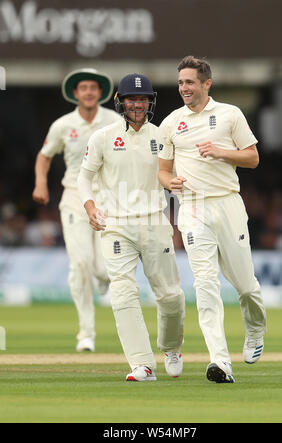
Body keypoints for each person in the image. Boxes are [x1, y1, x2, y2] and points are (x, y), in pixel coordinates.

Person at [158, 56, 267, 384]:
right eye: (180, 83)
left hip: (227, 205)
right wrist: (170, 183)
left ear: (207, 83)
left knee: (246, 286)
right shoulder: (171, 122)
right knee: (205, 286)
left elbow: (253, 158)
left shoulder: (230, 114)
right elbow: (162, 171)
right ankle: (220, 362)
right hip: (191, 209)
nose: (184, 88)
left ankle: (255, 331)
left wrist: (221, 152)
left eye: (190, 82)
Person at [77, 73, 185, 381]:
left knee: (170, 295)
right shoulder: (103, 136)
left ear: (150, 102)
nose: (137, 105)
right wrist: (90, 207)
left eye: (143, 99)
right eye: (131, 99)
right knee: (123, 293)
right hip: (116, 226)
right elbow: (84, 177)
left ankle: (171, 347)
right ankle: (142, 364)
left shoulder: (164, 135)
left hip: (154, 222)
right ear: (121, 103)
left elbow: (176, 173)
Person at [32, 68, 121, 352]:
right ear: (75, 93)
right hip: (73, 196)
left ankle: (103, 278)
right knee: (80, 263)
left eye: (93, 87)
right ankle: (86, 334)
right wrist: (40, 184)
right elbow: (44, 157)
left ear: (100, 92)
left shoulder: (114, 120)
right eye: (83, 88)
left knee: (105, 268)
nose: (88, 92)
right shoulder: (62, 125)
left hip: (107, 197)